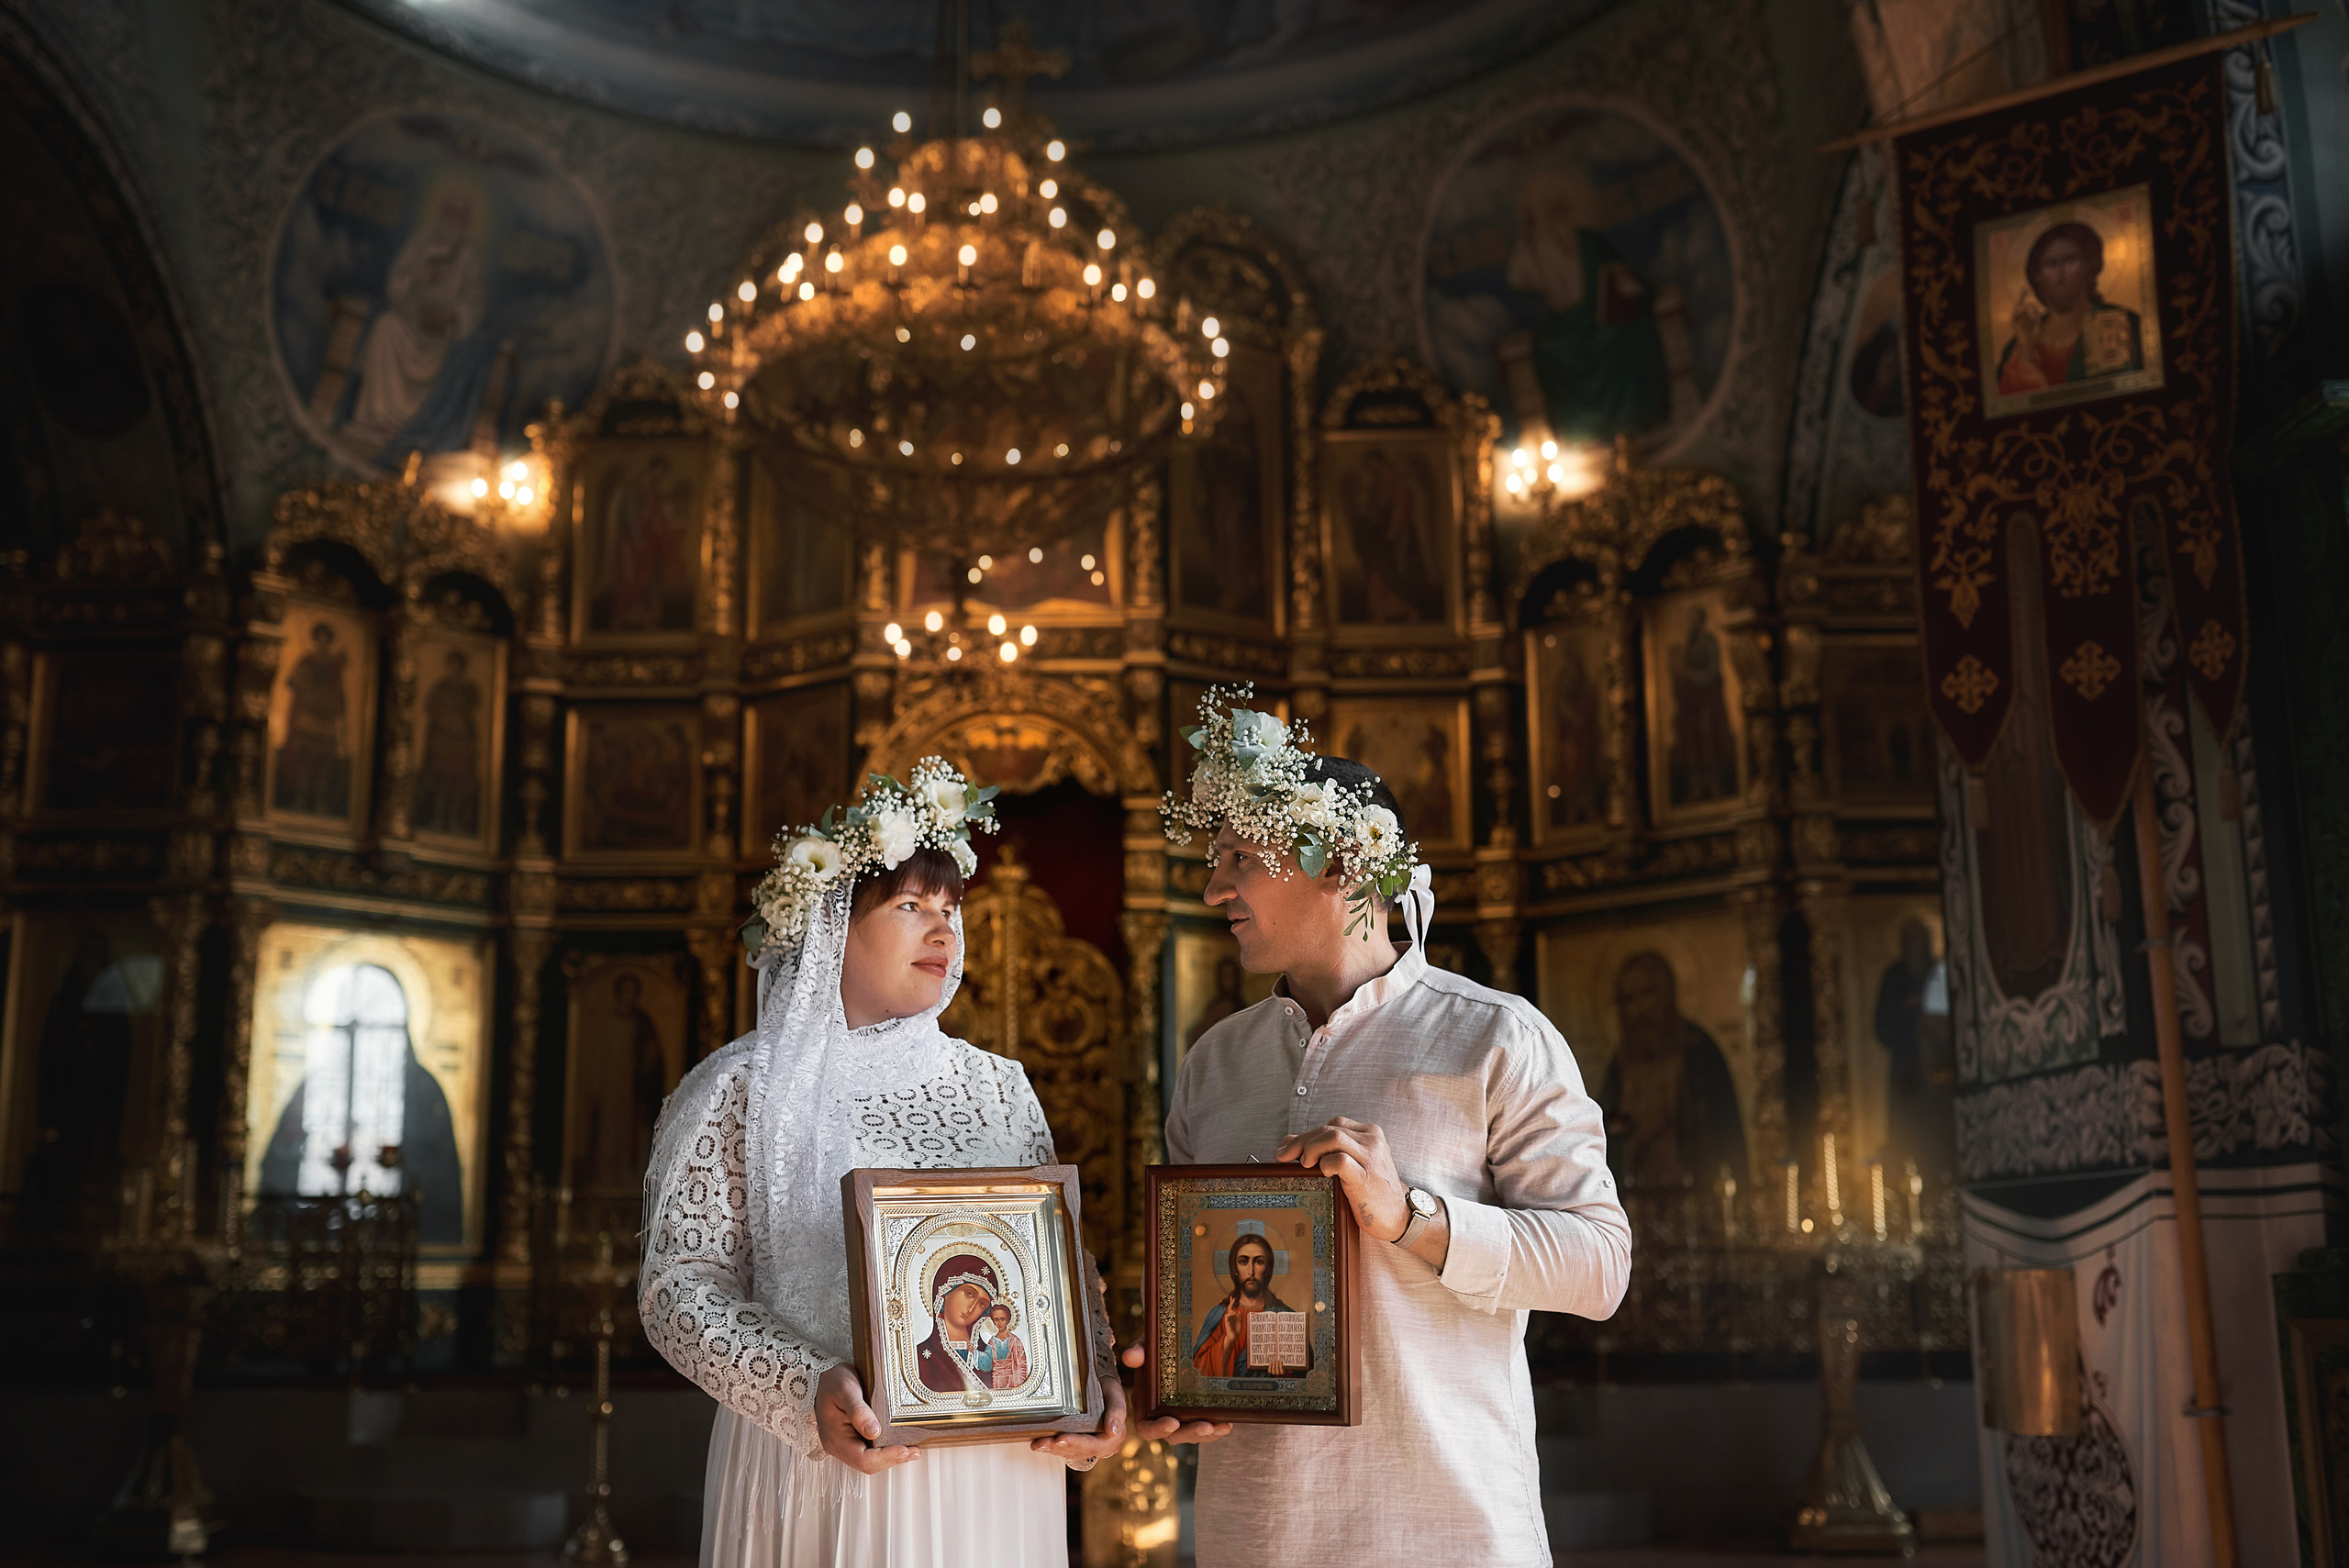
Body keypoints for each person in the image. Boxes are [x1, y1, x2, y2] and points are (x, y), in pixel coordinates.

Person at [1143, 689, 1630, 1568]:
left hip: (1444, 1528)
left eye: (1241, 859)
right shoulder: (1214, 1061)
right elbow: (1202, 1305)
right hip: (1253, 1533)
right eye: (1216, 862)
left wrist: (1410, 1216)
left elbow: (1600, 1265)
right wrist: (1176, 1376)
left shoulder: (1496, 1037)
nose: (1214, 889)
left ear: (1340, 864)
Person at [640, 760, 1127, 1568]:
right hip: (821, 1462)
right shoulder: (738, 1089)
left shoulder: (999, 1086)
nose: (943, 933)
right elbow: (678, 1288)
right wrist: (803, 1387)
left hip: (1001, 1471)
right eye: (909, 906)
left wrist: (1094, 1378)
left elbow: (1062, 1264)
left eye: (950, 909)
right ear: (831, 918)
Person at [1597, 951, 1748, 1193]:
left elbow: (1726, 1131)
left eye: (1647, 994)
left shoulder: (1699, 1051)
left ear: (1666, 994)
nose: (1639, 1009)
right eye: (1629, 999)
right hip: (1634, 1192)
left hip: (1696, 1190)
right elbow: (1604, 1129)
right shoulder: (1621, 1062)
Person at [1994, 220, 2143, 397]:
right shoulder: (2018, 346)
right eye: (2050, 264)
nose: (2061, 272)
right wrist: (2024, 350)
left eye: (2070, 260)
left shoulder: (2123, 321)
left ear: (2087, 265)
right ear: (2037, 275)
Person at [1190, 1231, 1306, 1378]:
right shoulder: (1219, 1315)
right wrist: (1229, 1340)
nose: (1251, 1271)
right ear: (1235, 1269)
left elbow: (1305, 1375)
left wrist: (1286, 1370)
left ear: (1267, 1269)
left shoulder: (1285, 1316)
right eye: (1243, 1262)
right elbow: (1199, 1370)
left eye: (1259, 1262)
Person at [984, 1302, 1030, 1391]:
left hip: (1014, 1379)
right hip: (997, 1380)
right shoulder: (992, 1342)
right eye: (996, 1320)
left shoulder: (1015, 1341)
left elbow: (1022, 1364)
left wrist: (1020, 1386)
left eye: (1002, 1319)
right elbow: (987, 1361)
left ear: (1008, 1320)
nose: (999, 1323)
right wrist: (974, 1352)